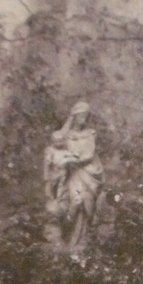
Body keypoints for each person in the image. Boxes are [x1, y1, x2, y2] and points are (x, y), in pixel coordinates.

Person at [43, 101, 104, 249]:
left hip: (88, 172)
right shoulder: (68, 135)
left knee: (86, 202)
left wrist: (73, 161)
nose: (83, 118)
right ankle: (71, 241)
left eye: (85, 115)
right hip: (73, 174)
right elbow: (57, 139)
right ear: (74, 116)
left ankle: (83, 240)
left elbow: (89, 154)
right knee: (74, 202)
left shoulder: (90, 134)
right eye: (80, 115)